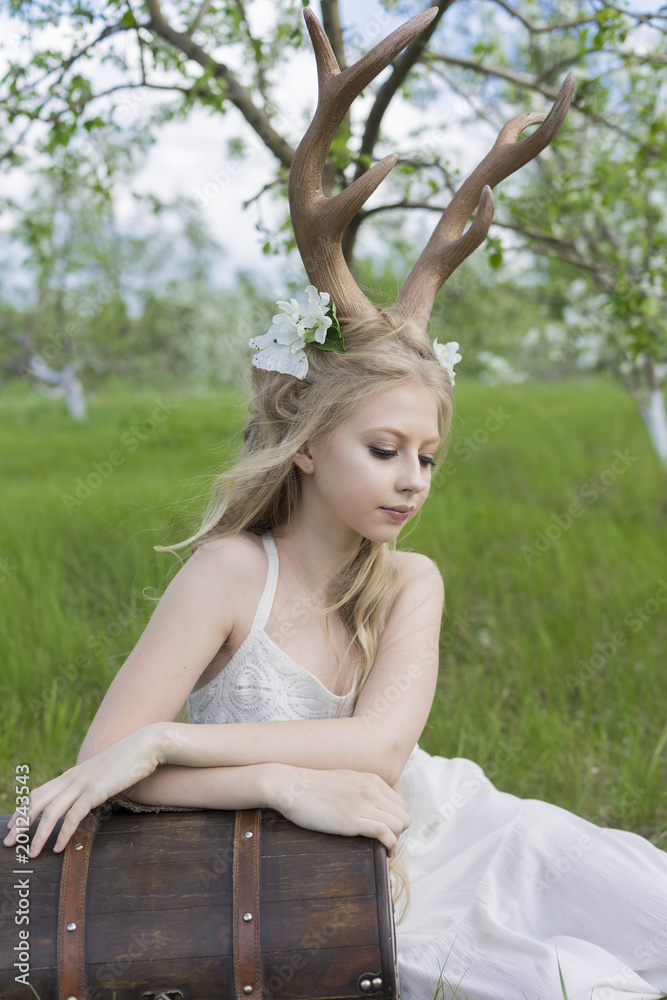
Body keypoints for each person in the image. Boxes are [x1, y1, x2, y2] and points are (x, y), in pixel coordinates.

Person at [5, 10, 667, 1000]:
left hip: (450, 818)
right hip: (337, 868)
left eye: (430, 457)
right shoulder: (234, 571)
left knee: (645, 902)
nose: (413, 479)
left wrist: (167, 739)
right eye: (384, 448)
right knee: (576, 985)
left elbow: (379, 750)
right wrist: (272, 781)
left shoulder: (410, 582)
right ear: (308, 448)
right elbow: (112, 765)